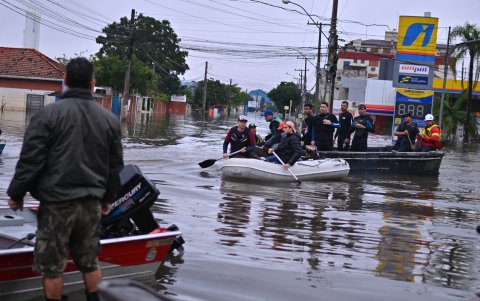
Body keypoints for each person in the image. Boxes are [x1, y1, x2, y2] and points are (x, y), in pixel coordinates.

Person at [7, 57, 124, 301]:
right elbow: (115, 167)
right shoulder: (109, 121)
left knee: (52, 266)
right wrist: (107, 198)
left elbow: (30, 160)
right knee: (90, 262)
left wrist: (17, 194)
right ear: (92, 85)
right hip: (91, 204)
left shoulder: (47, 116)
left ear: (66, 81)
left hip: (56, 205)